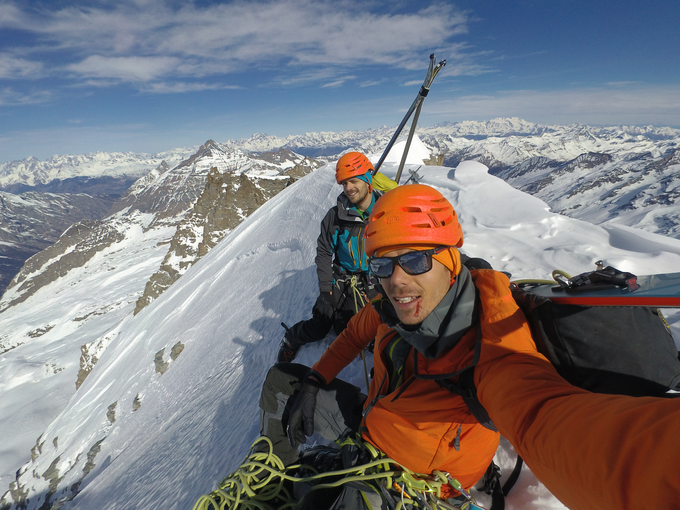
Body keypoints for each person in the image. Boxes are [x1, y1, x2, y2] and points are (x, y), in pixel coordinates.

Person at [260, 183, 680, 510]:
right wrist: (316, 380)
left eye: (416, 260)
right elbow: (354, 335)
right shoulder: (390, 306)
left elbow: (544, 419)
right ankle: (276, 480)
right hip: (374, 427)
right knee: (284, 384)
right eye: (384, 264)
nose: (397, 280)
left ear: (449, 258)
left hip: (414, 481)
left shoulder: (494, 345)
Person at [277, 152, 383, 363]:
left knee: (366, 325)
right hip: (341, 276)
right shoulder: (336, 216)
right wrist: (326, 288)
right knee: (321, 325)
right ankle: (291, 338)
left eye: (354, 181)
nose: (348, 188)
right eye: (344, 183)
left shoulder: (385, 211)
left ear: (368, 180)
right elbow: (324, 251)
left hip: (372, 279)